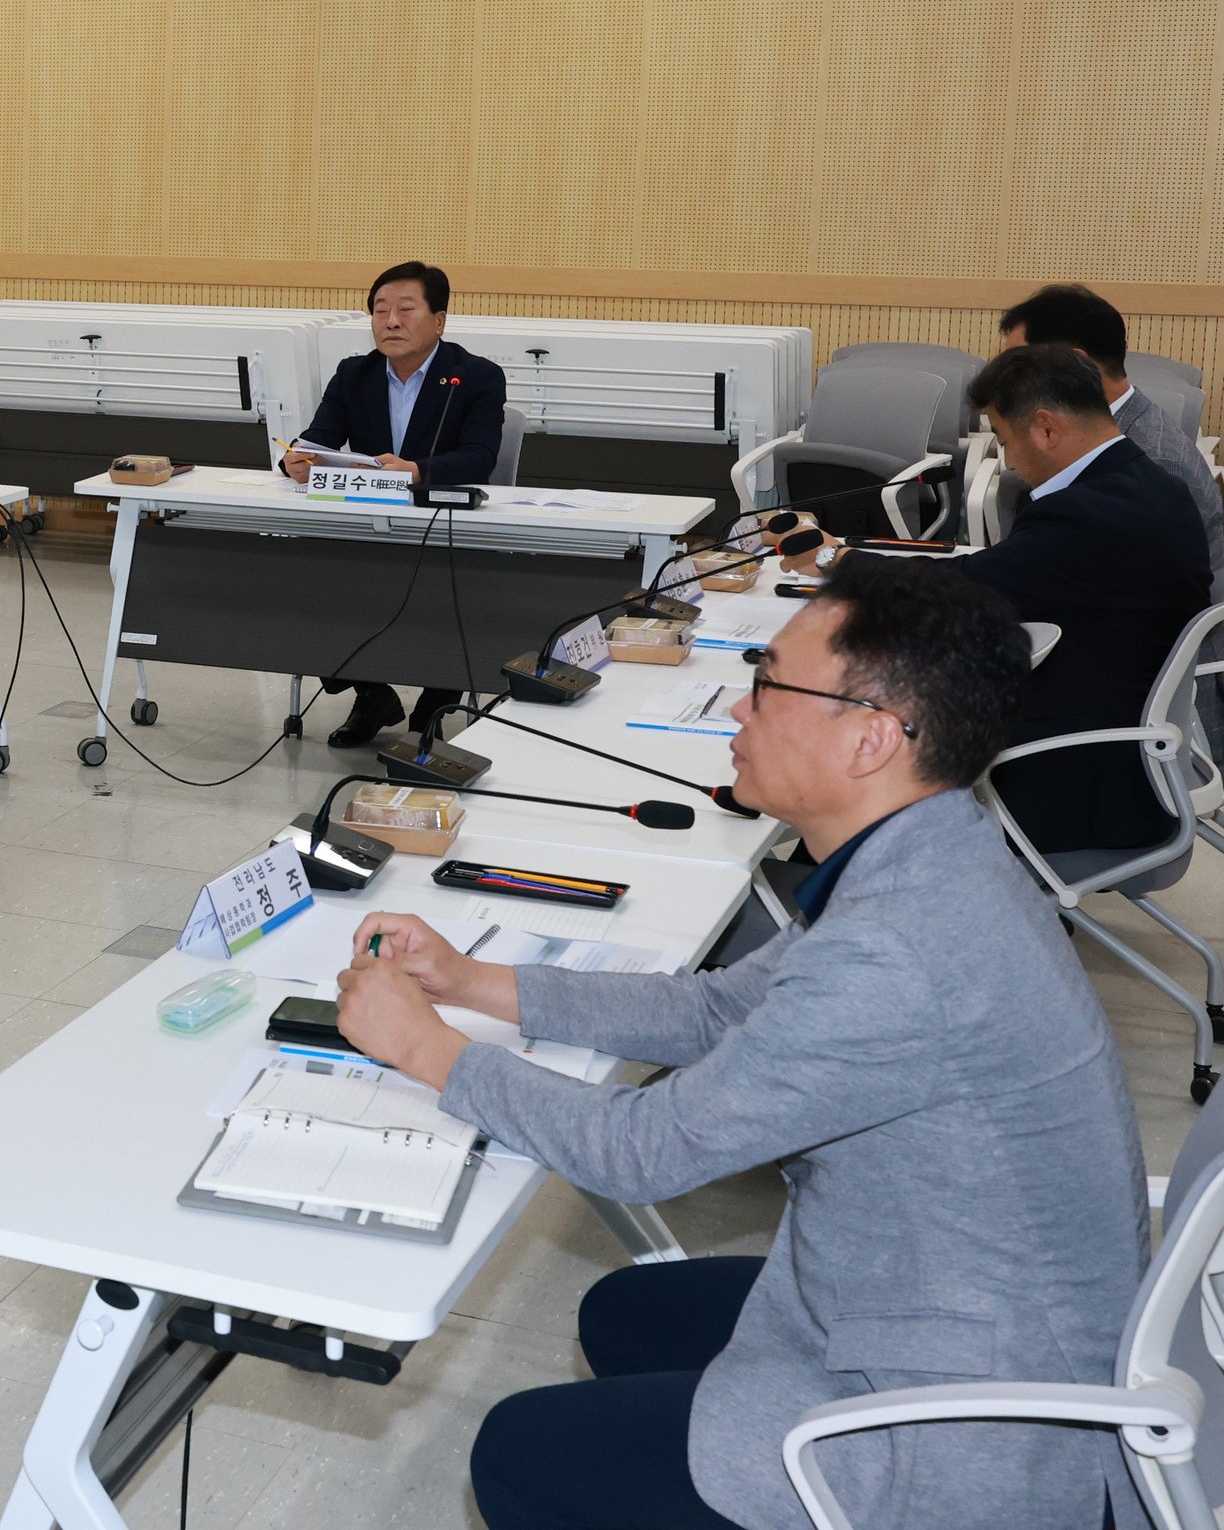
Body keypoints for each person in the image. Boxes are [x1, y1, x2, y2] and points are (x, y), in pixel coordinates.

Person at [334, 556, 1142, 1530]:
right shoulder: (931, 847)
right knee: (622, 1310)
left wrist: (426, 1048)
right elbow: (720, 1012)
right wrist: (470, 983)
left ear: (872, 739)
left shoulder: (900, 947)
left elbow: (644, 1151)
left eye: (766, 686)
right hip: (924, 1294)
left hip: (967, 1424)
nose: (737, 715)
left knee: (519, 1452)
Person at [957, 342, 1211, 854]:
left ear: (1047, 428)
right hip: (1136, 753)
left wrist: (835, 565)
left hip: (1078, 779)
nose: (1007, 460)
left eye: (1005, 441)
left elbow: (963, 590)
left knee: (893, 756)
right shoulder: (1152, 484)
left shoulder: (1087, 514)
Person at [281, 260, 509, 748]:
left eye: (407, 309)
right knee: (305, 581)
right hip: (367, 528)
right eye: (380, 310)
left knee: (443, 592)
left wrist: (418, 470)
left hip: (445, 529)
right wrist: (296, 462)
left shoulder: (475, 377)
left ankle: (437, 695)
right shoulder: (354, 374)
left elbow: (479, 458)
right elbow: (318, 440)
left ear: (439, 320)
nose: (391, 321)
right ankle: (372, 692)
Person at [999, 283, 1224, 742]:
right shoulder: (1112, 435)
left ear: (1077, 364)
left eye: (1019, 365)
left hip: (1148, 712)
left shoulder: (1151, 459)